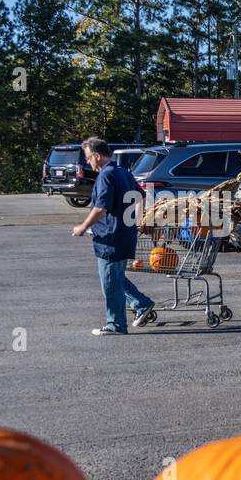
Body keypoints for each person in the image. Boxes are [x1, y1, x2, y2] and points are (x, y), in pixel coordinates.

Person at [71, 136, 155, 335]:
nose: (87, 162)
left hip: (110, 237)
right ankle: (141, 304)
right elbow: (140, 196)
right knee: (116, 278)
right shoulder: (123, 172)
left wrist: (82, 227)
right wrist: (137, 220)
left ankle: (115, 324)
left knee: (109, 282)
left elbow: (101, 207)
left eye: (88, 158)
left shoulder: (106, 175)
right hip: (124, 234)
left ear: (98, 156)